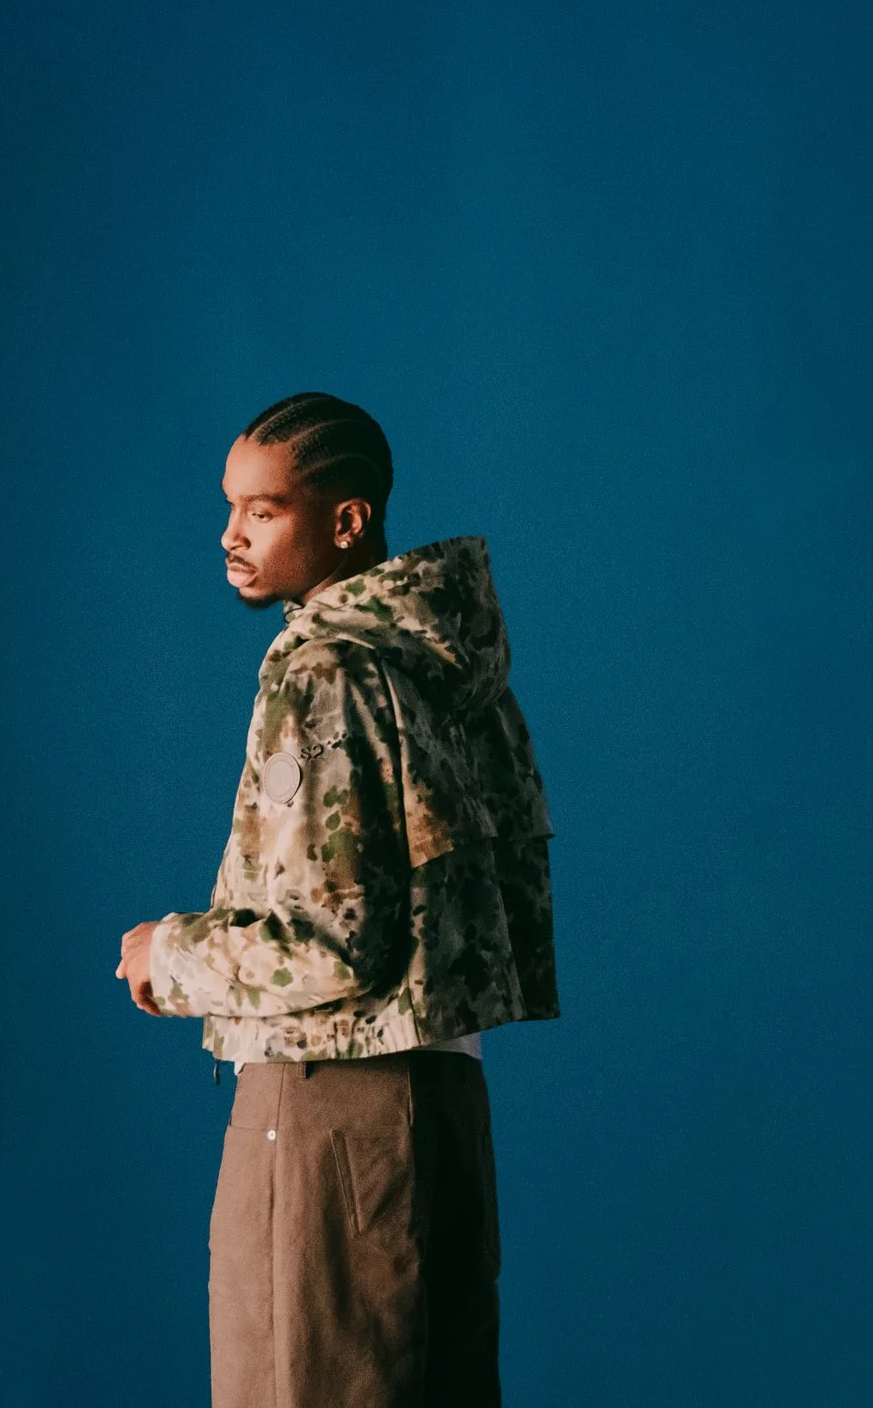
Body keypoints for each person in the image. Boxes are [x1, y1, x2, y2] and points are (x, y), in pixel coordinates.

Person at [117, 393, 559, 1408]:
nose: (229, 536)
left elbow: (332, 941)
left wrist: (167, 952)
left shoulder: (326, 667)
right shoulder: (449, 665)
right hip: (440, 1107)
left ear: (345, 520)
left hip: (325, 1110)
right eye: (228, 508)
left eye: (261, 510)